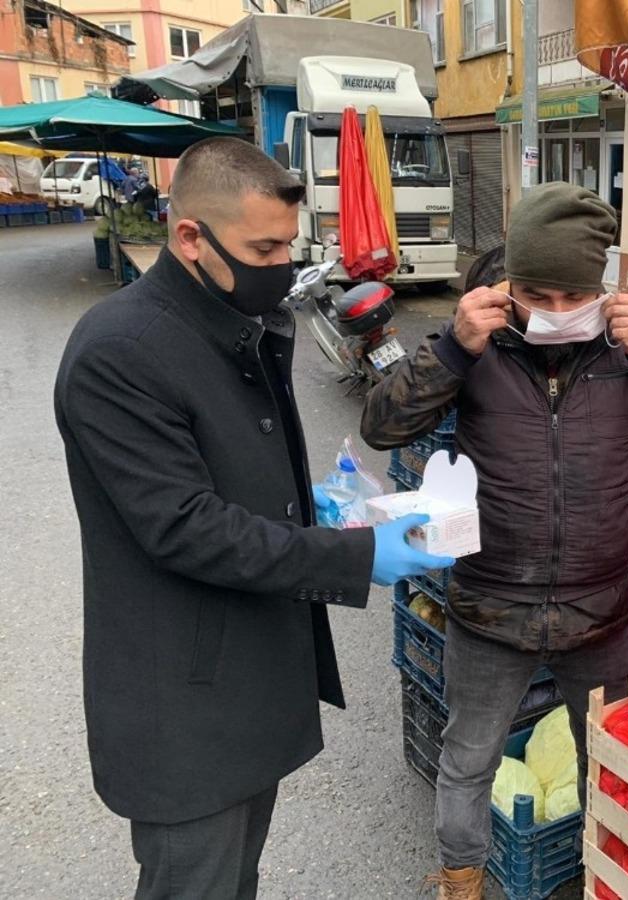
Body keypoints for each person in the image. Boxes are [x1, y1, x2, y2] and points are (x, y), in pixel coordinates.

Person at [53, 137, 452, 900]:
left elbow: (232, 463)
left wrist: (314, 506)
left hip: (246, 678)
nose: (282, 264)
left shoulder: (227, 322)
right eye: (263, 247)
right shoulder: (120, 351)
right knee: (196, 882)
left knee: (237, 879)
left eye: (288, 246)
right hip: (184, 702)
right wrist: (356, 556)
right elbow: (184, 526)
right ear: (190, 237)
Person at [360, 182, 628, 899]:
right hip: (489, 607)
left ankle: (614, 874)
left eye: (573, 297)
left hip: (600, 612)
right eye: (536, 294)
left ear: (597, 289)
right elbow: (382, 426)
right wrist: (451, 349)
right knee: (468, 757)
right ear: (509, 284)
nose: (556, 313)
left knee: (613, 757)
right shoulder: (477, 345)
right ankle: (461, 882)